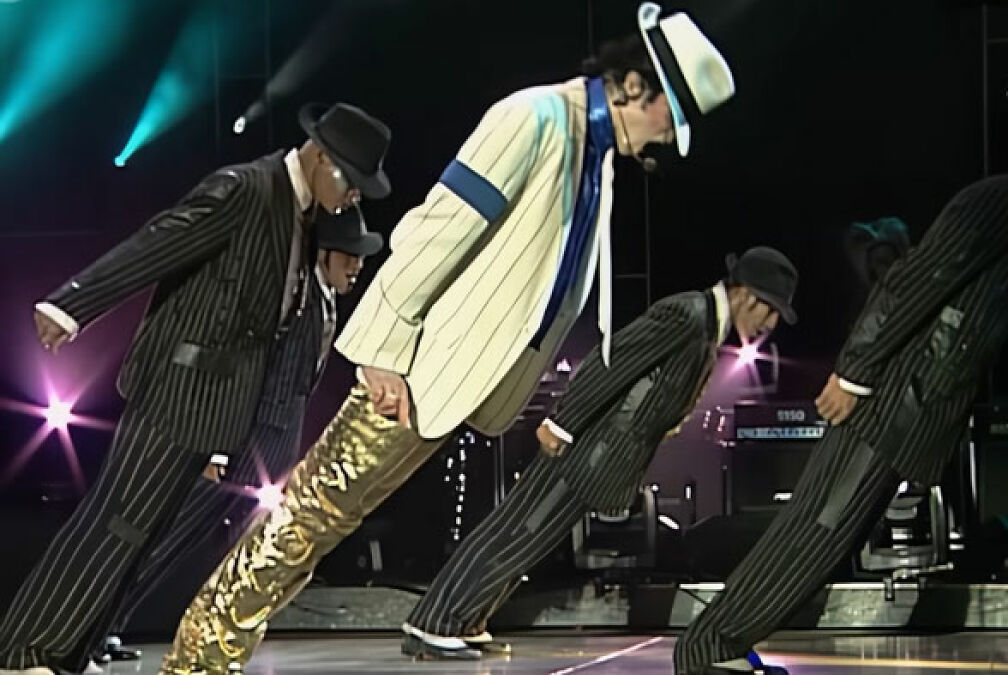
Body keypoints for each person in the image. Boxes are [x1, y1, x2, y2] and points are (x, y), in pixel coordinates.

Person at [159, 4, 736, 672]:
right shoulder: (535, 118)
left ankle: (207, 654)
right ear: (637, 86)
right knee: (309, 516)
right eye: (672, 117)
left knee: (321, 523)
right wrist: (382, 345)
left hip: (450, 380)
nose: (666, 138)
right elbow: (441, 224)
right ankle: (198, 658)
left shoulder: (592, 152)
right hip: (412, 369)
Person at [673, 125, 1008, 675]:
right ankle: (707, 650)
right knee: (813, 533)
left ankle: (721, 646)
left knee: (824, 542)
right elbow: (912, 283)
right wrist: (853, 376)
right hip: (886, 409)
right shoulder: (1002, 203)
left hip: (907, 412)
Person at [0, 102, 391, 675]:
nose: (353, 199)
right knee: (114, 522)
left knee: (140, 540)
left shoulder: (299, 218)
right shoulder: (246, 189)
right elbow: (161, 241)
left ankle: (66, 651)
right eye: (353, 183)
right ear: (322, 158)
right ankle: (22, 649)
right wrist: (73, 303)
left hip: (218, 408)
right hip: (177, 392)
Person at [403, 247, 797, 660]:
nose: (769, 326)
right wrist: (563, 421)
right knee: (519, 530)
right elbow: (613, 362)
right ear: (749, 297)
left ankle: (462, 618)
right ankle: (436, 622)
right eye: (771, 313)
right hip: (584, 451)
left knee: (528, 540)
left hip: (598, 458)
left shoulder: (704, 326)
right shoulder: (687, 315)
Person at [86, 206, 382, 671]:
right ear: (325, 253)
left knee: (196, 550)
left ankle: (122, 629)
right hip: (240, 448)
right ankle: (92, 628)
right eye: (350, 256)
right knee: (163, 540)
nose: (358, 267)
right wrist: (218, 445)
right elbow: (253, 375)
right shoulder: (296, 298)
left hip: (270, 453)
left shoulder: (324, 300)